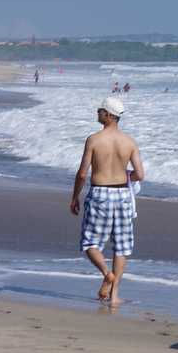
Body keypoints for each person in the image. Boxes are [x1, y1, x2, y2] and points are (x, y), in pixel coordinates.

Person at [70, 97, 145, 307]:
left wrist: (75, 196)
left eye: (100, 110)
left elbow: (83, 173)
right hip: (122, 195)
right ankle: (114, 296)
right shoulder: (129, 142)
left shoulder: (94, 139)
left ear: (109, 115)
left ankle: (106, 273)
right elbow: (140, 174)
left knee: (90, 242)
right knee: (121, 246)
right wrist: (125, 176)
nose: (97, 112)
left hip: (100, 193)